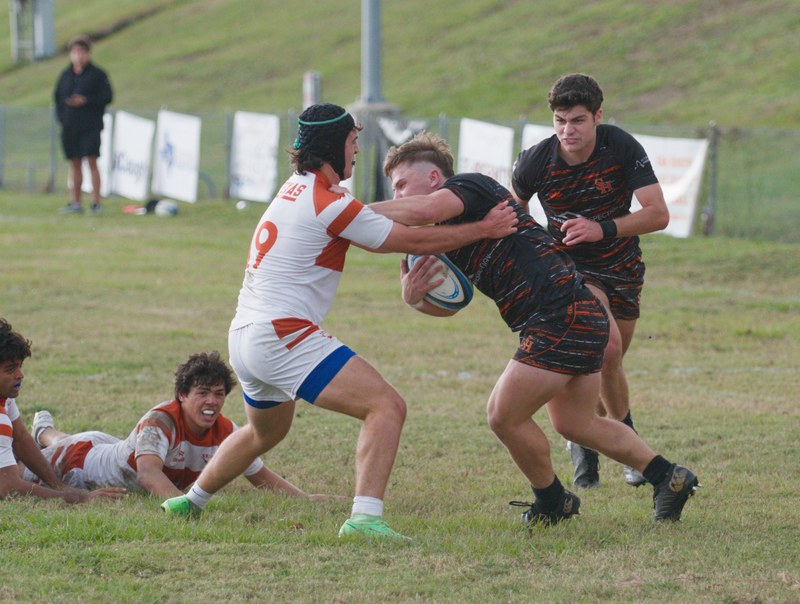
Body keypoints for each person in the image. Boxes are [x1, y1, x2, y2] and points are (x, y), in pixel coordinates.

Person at [159, 103, 519, 541]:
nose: (355, 153)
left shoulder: (298, 189)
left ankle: (190, 501)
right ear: (334, 146)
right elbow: (411, 239)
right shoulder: (327, 202)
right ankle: (365, 519)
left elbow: (373, 216)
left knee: (263, 431)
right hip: (282, 334)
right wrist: (484, 228)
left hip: (245, 336)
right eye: (352, 143)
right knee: (386, 406)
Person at [374, 132, 698, 525]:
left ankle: (552, 501)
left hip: (559, 312)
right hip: (570, 313)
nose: (397, 195)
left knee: (502, 414)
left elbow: (421, 212)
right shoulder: (447, 236)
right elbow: (451, 306)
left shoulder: (470, 186)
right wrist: (413, 297)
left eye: (401, 185)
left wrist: (349, 209)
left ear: (432, 178)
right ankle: (669, 476)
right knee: (576, 423)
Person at [511, 73, 670, 490]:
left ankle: (585, 435)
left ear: (598, 116)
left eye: (578, 120)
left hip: (622, 267)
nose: (568, 130)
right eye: (560, 120)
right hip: (570, 270)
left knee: (608, 362)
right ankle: (631, 448)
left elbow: (658, 214)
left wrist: (602, 228)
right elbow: (514, 214)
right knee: (608, 349)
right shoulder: (534, 161)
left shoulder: (620, 147)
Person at [23, 351, 326, 501]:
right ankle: (45, 436)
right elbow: (148, 474)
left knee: (81, 439)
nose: (212, 401)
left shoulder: (228, 432)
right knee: (27, 470)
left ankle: (44, 433)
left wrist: (307, 499)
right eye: (202, 393)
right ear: (182, 395)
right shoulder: (160, 421)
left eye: (219, 394)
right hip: (81, 464)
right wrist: (183, 504)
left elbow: (260, 476)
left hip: (106, 444)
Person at [0, 318, 125, 503]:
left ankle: (44, 433)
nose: (20, 375)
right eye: (11, 368)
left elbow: (21, 438)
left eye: (20, 365)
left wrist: (58, 485)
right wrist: (76, 498)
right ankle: (45, 433)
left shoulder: (6, 398)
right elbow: (9, 488)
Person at [53, 34, 113, 214]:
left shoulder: (98, 75)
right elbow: (57, 98)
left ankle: (96, 202)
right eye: (75, 52)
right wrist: (62, 118)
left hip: (90, 126)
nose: (78, 56)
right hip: (70, 127)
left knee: (92, 162)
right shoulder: (65, 75)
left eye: (82, 52)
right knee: (74, 163)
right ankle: (75, 202)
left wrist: (85, 100)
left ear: (88, 53)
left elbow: (107, 97)